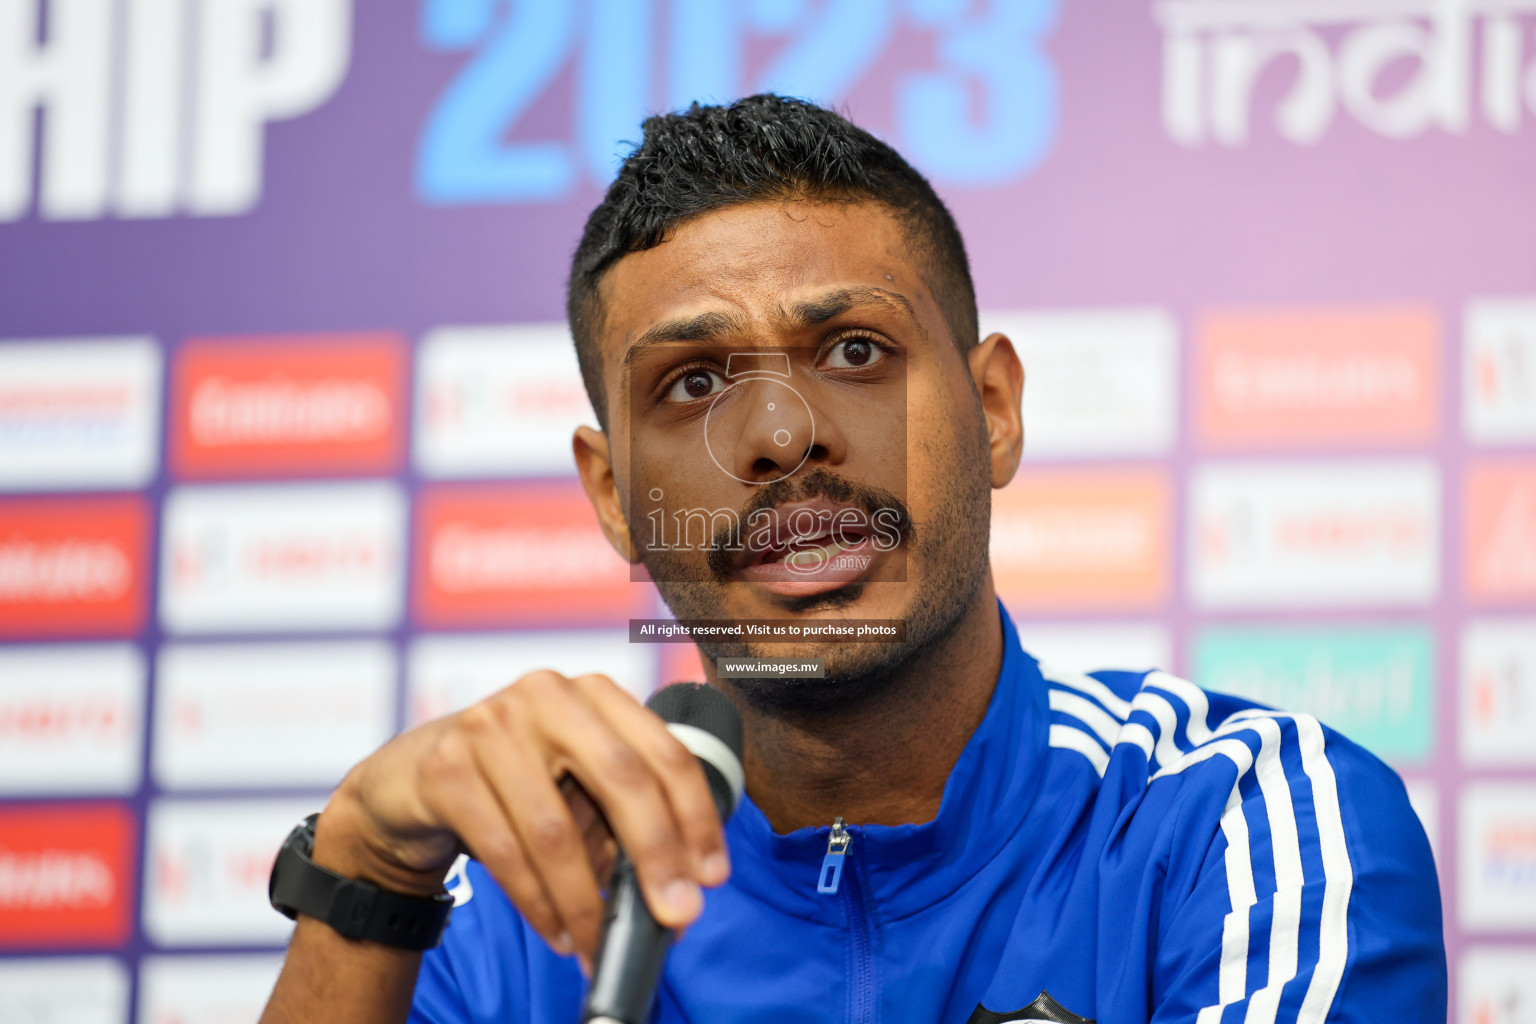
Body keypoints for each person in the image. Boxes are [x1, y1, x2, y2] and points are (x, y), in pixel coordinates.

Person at [260, 95, 1445, 1024]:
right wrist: (364, 871)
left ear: (993, 410)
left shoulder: (1240, 825)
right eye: (695, 383)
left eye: (856, 350)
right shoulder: (496, 912)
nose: (781, 437)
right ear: (615, 496)